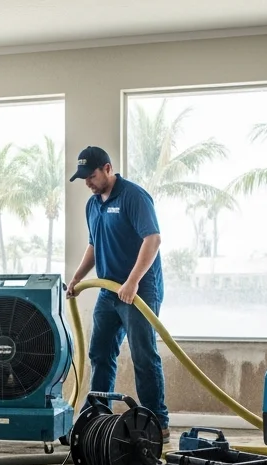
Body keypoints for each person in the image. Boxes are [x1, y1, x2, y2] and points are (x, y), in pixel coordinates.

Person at [65, 146, 169, 441]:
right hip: (109, 290)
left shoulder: (133, 197)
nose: (88, 182)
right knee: (100, 352)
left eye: (92, 175)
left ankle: (158, 423)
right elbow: (94, 246)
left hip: (138, 290)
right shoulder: (92, 205)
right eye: (83, 177)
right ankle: (97, 416)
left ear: (108, 169)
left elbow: (153, 239)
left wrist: (133, 282)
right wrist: (76, 278)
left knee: (143, 356)